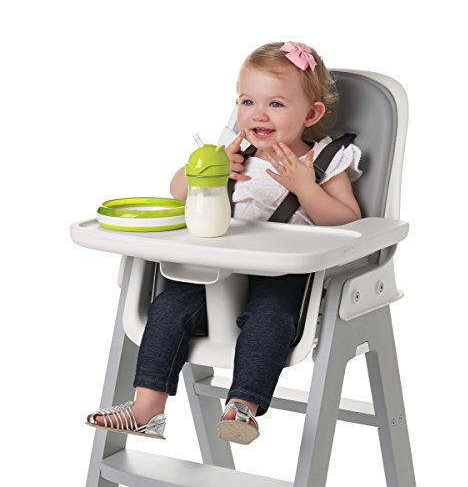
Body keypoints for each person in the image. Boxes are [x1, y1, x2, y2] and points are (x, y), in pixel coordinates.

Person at [86, 41, 362, 445]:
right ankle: (147, 409)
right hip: (215, 271)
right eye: (248, 101)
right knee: (168, 308)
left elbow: (349, 221)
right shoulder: (232, 150)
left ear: (311, 114)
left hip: (281, 276)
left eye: (276, 104)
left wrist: (307, 189)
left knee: (270, 319)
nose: (258, 114)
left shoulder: (324, 160)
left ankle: (241, 408)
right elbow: (178, 192)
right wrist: (204, 172)